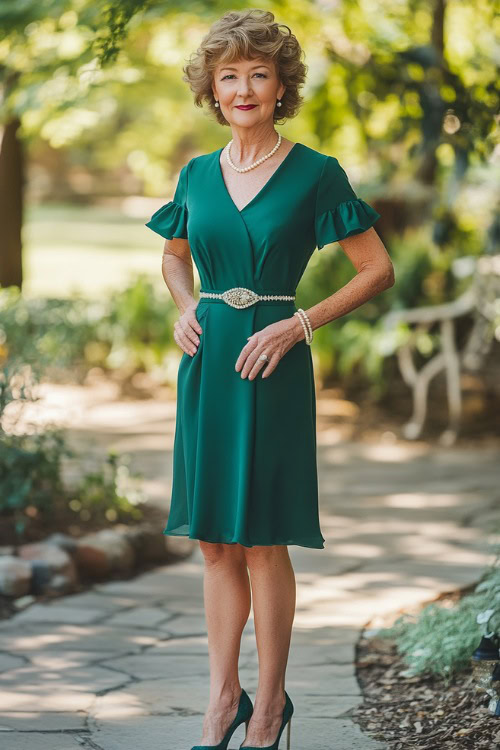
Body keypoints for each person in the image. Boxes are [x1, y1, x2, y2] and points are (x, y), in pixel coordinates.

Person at [145, 9, 394, 750]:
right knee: (216, 543)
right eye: (229, 76)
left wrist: (299, 324)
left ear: (281, 86)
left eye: (259, 73)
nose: (244, 87)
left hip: (276, 359)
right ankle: (223, 700)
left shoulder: (317, 173)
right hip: (208, 362)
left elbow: (377, 270)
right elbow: (173, 255)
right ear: (212, 91)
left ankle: (270, 705)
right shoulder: (195, 173)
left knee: (262, 542)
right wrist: (185, 306)